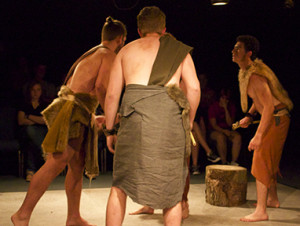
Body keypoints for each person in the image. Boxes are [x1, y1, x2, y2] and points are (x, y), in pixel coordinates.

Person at [11, 16, 127, 226]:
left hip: (77, 111)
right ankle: (22, 214)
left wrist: (92, 116)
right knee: (55, 163)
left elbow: (78, 90)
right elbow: (101, 88)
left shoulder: (92, 53)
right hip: (72, 113)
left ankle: (73, 217)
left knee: (76, 165)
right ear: (121, 39)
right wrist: (112, 121)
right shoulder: (107, 54)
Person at [104, 6, 200, 226]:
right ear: (164, 29)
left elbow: (111, 96)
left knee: (120, 186)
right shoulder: (178, 50)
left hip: (133, 123)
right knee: (172, 193)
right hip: (168, 124)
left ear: (139, 30)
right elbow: (194, 89)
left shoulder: (126, 50)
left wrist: (110, 131)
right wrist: (189, 121)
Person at [232, 35, 293, 222]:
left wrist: (258, 136)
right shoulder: (247, 72)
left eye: (239, 48)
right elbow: (258, 101)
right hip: (275, 117)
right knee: (269, 159)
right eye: (234, 47)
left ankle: (261, 211)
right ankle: (272, 199)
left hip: (276, 118)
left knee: (261, 158)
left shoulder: (256, 76)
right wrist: (250, 116)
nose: (234, 51)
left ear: (249, 53)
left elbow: (268, 106)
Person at [17, 80, 48, 181]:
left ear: (41, 91)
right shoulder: (24, 104)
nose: (35, 93)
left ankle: (30, 171)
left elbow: (44, 121)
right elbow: (21, 121)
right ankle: (44, 153)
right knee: (30, 131)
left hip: (42, 132)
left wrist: (28, 116)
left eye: (38, 90)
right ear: (29, 91)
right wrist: (37, 121)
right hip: (26, 133)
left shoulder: (44, 104)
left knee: (33, 140)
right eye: (33, 90)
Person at [208, 87, 241, 165]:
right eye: (223, 98)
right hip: (215, 131)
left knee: (237, 137)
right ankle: (224, 162)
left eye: (227, 99)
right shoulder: (213, 107)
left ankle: (234, 161)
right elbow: (214, 125)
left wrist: (226, 109)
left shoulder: (231, 107)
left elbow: (230, 124)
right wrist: (223, 131)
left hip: (228, 129)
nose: (225, 100)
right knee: (220, 137)